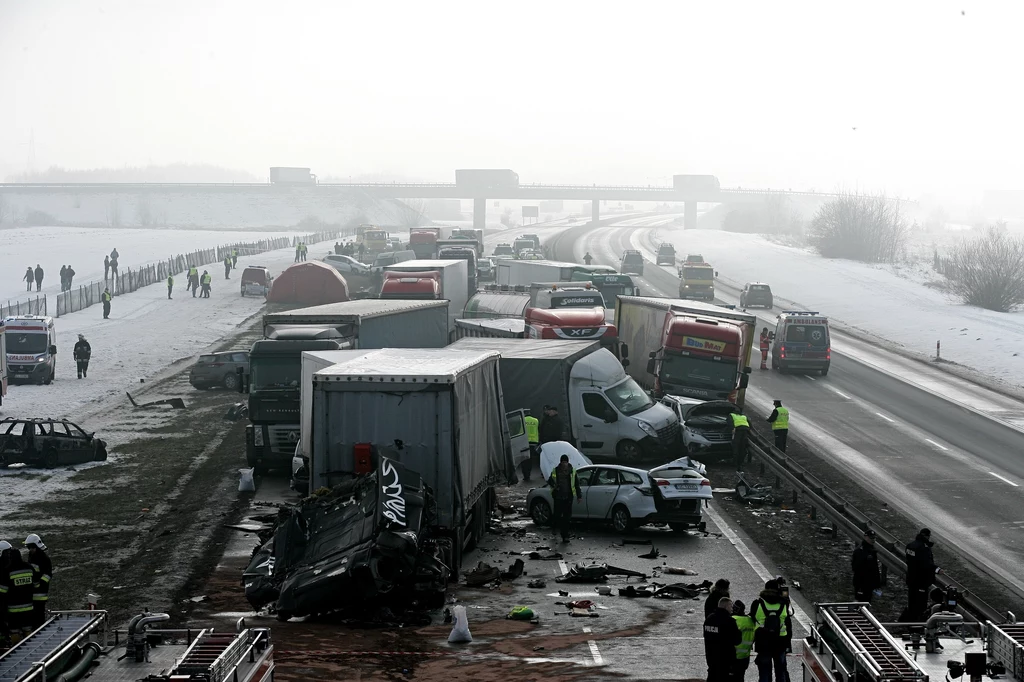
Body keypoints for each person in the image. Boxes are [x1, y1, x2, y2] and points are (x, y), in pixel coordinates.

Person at [751, 579, 789, 682]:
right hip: (780, 641)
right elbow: (787, 623)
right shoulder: (784, 602)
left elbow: (752, 621)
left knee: (764, 672)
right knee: (780, 672)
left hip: (763, 642)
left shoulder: (757, 603)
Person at [0, 539, 36, 644]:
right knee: (28, 629)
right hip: (29, 607)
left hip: (13, 609)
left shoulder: (8, 570)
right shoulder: (29, 567)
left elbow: (3, 591)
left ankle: (15, 647)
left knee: (14, 631)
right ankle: (29, 647)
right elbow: (35, 584)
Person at [903, 528, 940, 622]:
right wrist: (937, 569)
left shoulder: (910, 546)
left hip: (911, 579)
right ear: (927, 536)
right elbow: (926, 563)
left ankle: (910, 621)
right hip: (921, 581)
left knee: (912, 602)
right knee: (920, 605)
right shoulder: (923, 548)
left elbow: (910, 561)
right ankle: (917, 623)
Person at [704, 596, 742, 682]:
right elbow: (737, 641)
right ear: (726, 606)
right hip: (725, 660)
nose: (732, 609)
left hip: (711, 658)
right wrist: (739, 632)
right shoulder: (729, 621)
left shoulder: (709, 619)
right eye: (731, 606)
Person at [547, 453, 582, 542]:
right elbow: (550, 480)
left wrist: (579, 496)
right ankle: (555, 527)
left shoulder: (572, 471)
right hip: (558, 497)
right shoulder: (555, 471)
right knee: (557, 515)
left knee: (566, 518)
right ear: (560, 462)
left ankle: (565, 535)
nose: (564, 464)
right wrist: (555, 486)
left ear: (568, 462)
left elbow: (577, 484)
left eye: (565, 462)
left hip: (568, 497)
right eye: (563, 462)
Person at [24, 535, 51, 629]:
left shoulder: (44, 559)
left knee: (39, 617)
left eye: (29, 547)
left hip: (40, 594)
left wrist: (38, 584)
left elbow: (47, 575)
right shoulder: (32, 556)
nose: (29, 549)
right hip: (33, 593)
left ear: (34, 546)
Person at [852, 529, 881, 603]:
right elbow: (856, 568)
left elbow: (875, 568)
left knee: (867, 601)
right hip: (862, 582)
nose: (873, 540)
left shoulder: (872, 550)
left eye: (874, 538)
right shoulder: (860, 551)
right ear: (865, 537)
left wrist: (877, 583)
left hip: (869, 582)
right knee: (860, 602)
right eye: (871, 538)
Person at [733, 600, 757, 681]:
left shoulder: (733, 620)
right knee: (740, 677)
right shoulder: (751, 621)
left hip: (733, 656)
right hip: (745, 657)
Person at [522, 412, 540, 482]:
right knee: (530, 459)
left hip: (524, 442)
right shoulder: (536, 420)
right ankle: (528, 474)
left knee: (524, 459)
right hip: (533, 442)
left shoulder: (522, 420)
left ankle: (525, 475)